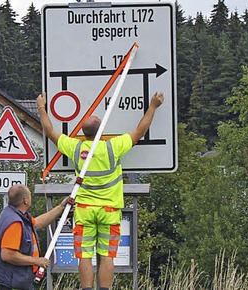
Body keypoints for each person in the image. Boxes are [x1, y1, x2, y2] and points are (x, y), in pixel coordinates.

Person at [36, 92, 164, 290]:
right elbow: (140, 131)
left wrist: (42, 108)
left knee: (84, 255)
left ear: (83, 132)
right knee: (107, 255)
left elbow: (50, 130)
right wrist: (153, 106)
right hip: (109, 211)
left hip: (84, 210)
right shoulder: (113, 147)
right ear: (101, 131)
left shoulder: (75, 148)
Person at [0, 185, 72, 290]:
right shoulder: (15, 223)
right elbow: (7, 255)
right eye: (30, 195)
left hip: (17, 281)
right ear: (25, 200)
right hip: (11, 284)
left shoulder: (16, 215)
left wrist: (61, 208)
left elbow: (37, 223)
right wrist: (36, 261)